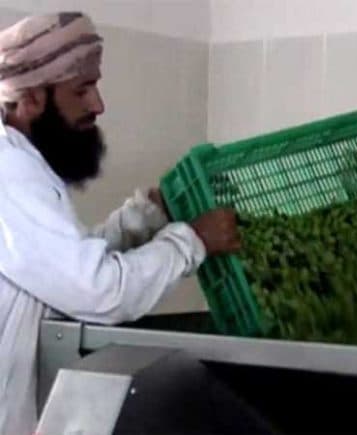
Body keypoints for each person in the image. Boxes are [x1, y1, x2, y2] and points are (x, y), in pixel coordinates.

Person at [0, 12, 241, 435]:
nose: (98, 105)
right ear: (33, 99)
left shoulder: (20, 163)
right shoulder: (9, 170)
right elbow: (98, 292)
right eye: (82, 89)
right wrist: (192, 242)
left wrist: (144, 219)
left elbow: (57, 273)